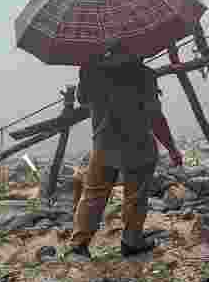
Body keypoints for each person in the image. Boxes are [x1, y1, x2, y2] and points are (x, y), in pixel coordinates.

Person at [69, 41, 177, 259]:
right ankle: (131, 240)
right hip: (138, 145)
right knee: (135, 196)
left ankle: (79, 244)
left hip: (104, 144)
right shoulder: (144, 75)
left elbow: (83, 100)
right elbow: (155, 117)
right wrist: (172, 148)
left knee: (93, 194)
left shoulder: (93, 70)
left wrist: (86, 70)